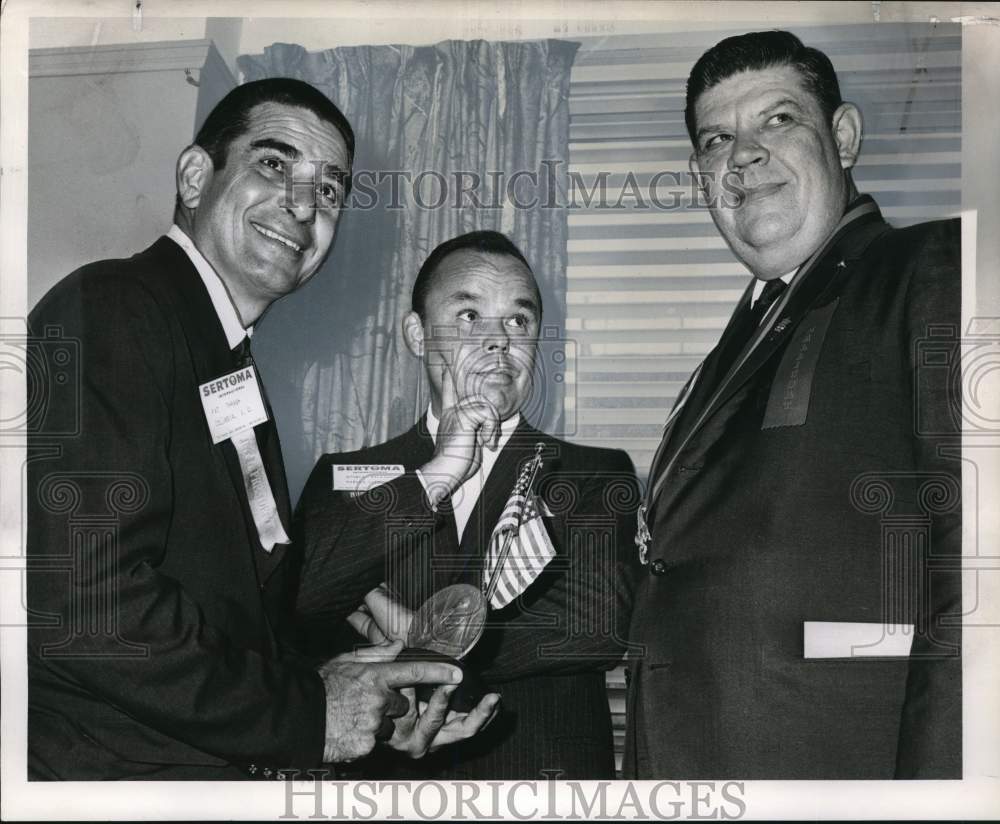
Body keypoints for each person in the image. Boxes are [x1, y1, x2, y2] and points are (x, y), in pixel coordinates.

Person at [26, 78, 495, 780]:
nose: (304, 205)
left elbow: (230, 601)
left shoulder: (226, 360)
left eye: (330, 190)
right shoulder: (112, 308)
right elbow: (92, 610)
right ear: (194, 176)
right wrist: (309, 715)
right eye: (273, 164)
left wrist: (360, 695)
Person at [624, 30, 961, 779]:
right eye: (717, 139)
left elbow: (977, 572)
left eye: (778, 120)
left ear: (842, 137)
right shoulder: (733, 348)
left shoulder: (930, 267)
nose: (742, 155)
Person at [293, 230, 641, 779]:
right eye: (469, 316)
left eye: (519, 321)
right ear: (416, 334)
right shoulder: (344, 478)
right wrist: (439, 474)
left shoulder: (594, 474)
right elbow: (302, 607)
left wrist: (420, 646)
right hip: (386, 787)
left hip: (541, 787)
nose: (498, 340)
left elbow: (599, 625)